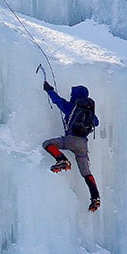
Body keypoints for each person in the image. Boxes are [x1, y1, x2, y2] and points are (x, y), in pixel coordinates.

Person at [42, 81, 101, 212]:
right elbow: (96, 123)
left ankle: (61, 159)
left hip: (70, 140)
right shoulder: (90, 113)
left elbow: (57, 101)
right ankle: (95, 197)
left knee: (47, 144)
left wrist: (49, 90)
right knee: (86, 172)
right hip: (83, 145)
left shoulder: (72, 107)